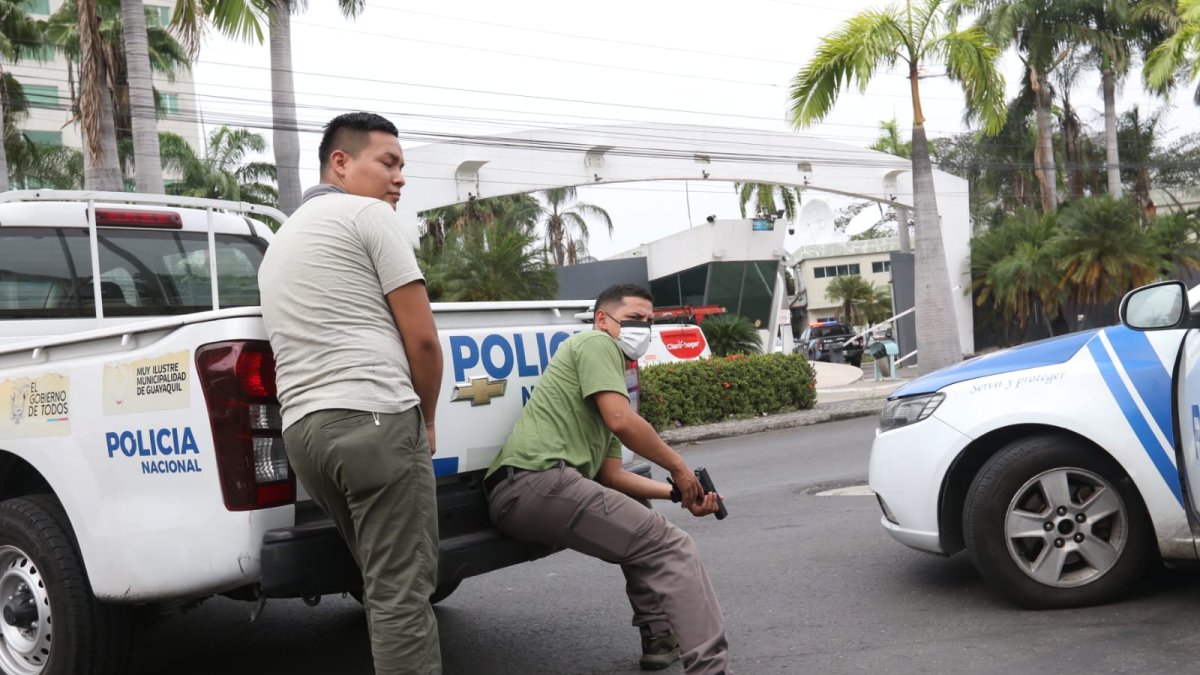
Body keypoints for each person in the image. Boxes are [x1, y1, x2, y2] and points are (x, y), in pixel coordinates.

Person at [258, 112, 443, 675]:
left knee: (380, 578)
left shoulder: (279, 243)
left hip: (305, 436)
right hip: (376, 419)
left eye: (402, 167)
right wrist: (427, 420)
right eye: (387, 162)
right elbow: (424, 342)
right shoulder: (368, 215)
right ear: (341, 162)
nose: (399, 178)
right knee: (401, 592)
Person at [485, 283, 729, 675]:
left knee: (640, 511)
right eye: (634, 319)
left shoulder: (608, 383)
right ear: (603, 319)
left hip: (533, 491)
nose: (642, 329)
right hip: (536, 482)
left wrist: (679, 494)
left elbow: (612, 476)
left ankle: (659, 637)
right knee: (674, 548)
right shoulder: (596, 345)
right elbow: (623, 421)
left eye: (649, 321)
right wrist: (679, 467)